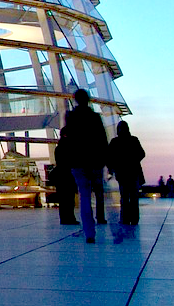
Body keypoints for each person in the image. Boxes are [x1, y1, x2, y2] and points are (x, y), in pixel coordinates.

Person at [63, 89, 113, 244]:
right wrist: (107, 161)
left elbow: (68, 138)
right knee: (98, 193)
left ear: (75, 100)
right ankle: (100, 218)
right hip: (95, 162)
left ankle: (89, 232)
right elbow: (103, 141)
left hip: (78, 162)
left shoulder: (70, 116)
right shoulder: (95, 117)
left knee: (84, 196)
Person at [107, 120, 145, 235]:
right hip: (133, 172)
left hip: (122, 173)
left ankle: (124, 218)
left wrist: (114, 167)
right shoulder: (134, 140)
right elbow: (142, 154)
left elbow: (109, 157)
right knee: (133, 197)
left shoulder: (115, 142)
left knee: (124, 197)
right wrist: (133, 161)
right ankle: (134, 219)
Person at [52, 125, 79, 225]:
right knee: (69, 198)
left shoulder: (58, 148)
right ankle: (70, 218)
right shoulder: (71, 148)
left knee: (63, 200)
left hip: (60, 176)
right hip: (68, 176)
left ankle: (64, 218)